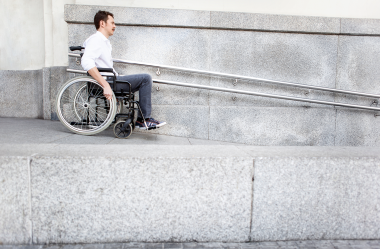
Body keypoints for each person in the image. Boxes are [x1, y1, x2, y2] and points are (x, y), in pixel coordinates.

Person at [81, 10, 166, 130]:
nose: (114, 26)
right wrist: (105, 85)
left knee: (142, 81)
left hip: (112, 79)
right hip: (108, 82)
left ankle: (143, 119)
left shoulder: (104, 42)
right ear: (102, 23)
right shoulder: (96, 40)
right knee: (145, 79)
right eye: (112, 23)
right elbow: (86, 62)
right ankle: (143, 120)